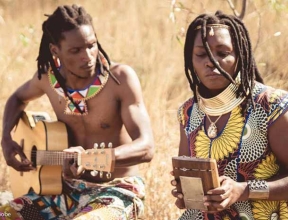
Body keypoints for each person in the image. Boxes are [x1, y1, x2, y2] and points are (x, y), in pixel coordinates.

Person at [0, 4, 154, 220]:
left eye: (92, 46)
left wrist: (94, 158)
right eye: (76, 50)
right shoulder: (47, 78)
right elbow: (17, 98)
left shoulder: (120, 79)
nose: (88, 56)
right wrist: (6, 138)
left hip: (117, 190)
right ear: (55, 50)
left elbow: (146, 148)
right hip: (62, 192)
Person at [171, 10, 288, 219]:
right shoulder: (188, 113)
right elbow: (190, 181)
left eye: (223, 53)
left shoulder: (271, 106)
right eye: (201, 54)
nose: (211, 62)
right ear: (190, 59)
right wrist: (186, 194)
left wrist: (243, 190)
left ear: (240, 56)